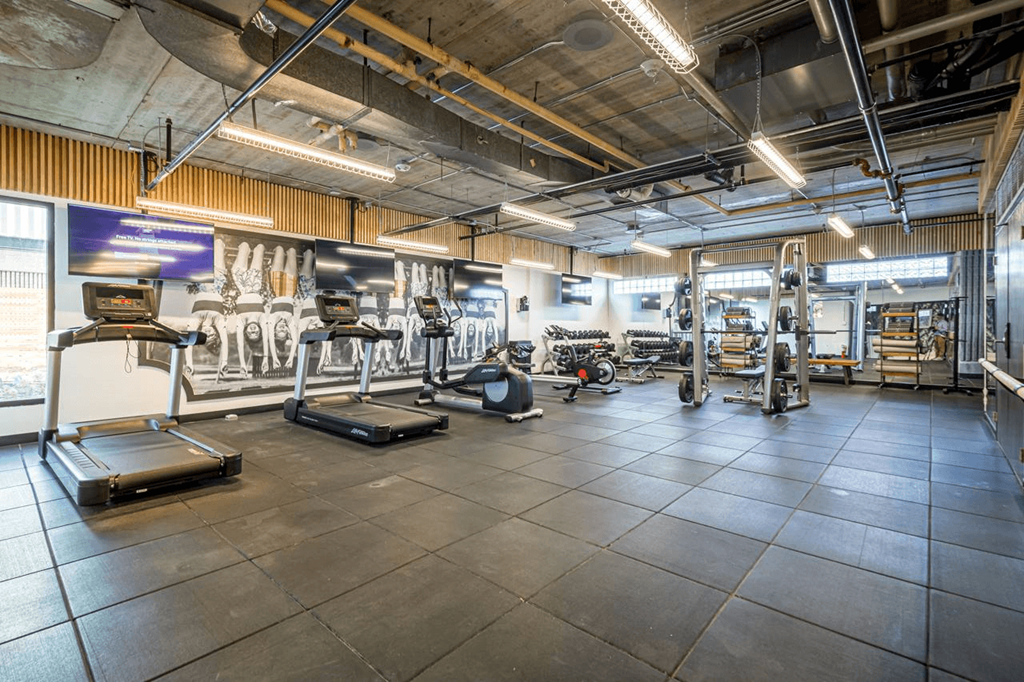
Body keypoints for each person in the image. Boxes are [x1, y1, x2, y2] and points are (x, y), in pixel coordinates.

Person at [185, 238, 229, 380]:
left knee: (202, 246)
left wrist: (189, 364)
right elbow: (225, 340)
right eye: (212, 336)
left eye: (206, 336)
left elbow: (188, 341)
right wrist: (224, 362)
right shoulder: (218, 321)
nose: (208, 333)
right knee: (219, 244)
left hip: (203, 281)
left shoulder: (195, 321)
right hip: (218, 283)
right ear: (216, 334)